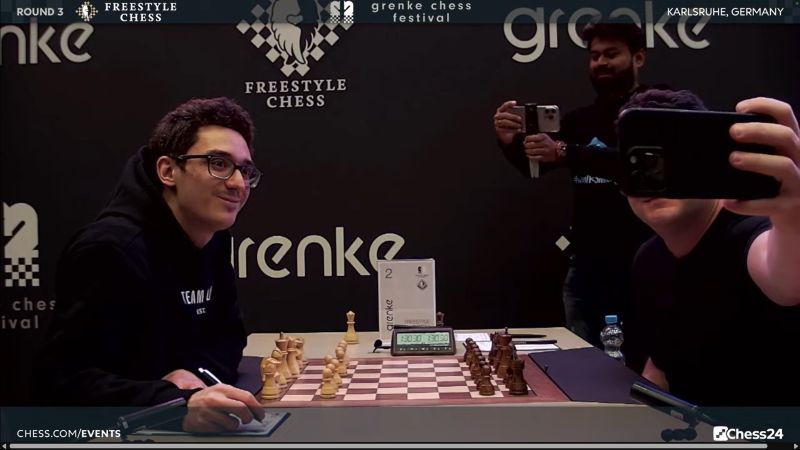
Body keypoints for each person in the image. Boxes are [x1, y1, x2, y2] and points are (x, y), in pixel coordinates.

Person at [34, 97, 267, 432]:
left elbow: (227, 338)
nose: (238, 184)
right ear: (168, 171)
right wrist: (171, 403)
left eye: (245, 170)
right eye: (218, 163)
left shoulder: (214, 237)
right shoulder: (109, 249)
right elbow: (62, 382)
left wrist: (194, 378)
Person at [623, 89, 800, 406]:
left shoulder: (752, 235)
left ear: (704, 158)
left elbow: (786, 277)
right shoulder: (648, 260)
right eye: (638, 158)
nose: (653, 173)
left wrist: (794, 218)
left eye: (672, 156)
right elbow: (659, 367)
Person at [492, 23, 657, 360]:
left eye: (611, 54)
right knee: (583, 364)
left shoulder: (653, 110)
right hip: (586, 265)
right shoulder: (580, 120)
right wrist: (509, 143)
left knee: (646, 363)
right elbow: (536, 165)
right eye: (594, 56)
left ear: (638, 57)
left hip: (643, 258)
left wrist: (567, 152)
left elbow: (637, 164)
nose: (601, 63)